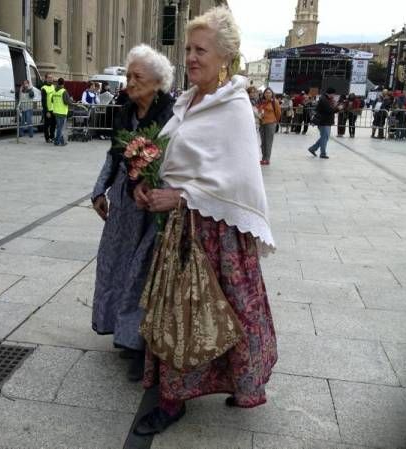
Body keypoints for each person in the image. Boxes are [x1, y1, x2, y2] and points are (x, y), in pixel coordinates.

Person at [132, 6, 277, 436]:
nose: (191, 57)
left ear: (225, 57)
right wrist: (144, 180)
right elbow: (170, 156)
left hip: (217, 233)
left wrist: (179, 195)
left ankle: (236, 381)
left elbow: (236, 174)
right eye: (189, 49)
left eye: (201, 50)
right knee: (180, 313)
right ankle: (173, 398)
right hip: (180, 227)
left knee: (229, 310)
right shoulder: (187, 100)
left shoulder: (233, 107)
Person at [91, 44, 175, 382]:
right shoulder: (125, 109)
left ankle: (142, 345)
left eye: (137, 76)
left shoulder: (170, 113)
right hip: (125, 203)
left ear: (158, 81)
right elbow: (114, 153)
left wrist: (156, 186)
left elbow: (175, 159)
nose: (129, 82)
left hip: (153, 202)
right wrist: (99, 189)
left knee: (144, 271)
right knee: (116, 262)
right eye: (128, 75)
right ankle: (122, 331)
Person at [308, 87, 337, 159]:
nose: (334, 95)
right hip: (324, 122)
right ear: (330, 93)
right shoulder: (324, 100)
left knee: (324, 137)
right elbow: (329, 110)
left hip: (326, 121)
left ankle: (313, 148)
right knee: (324, 138)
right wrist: (338, 108)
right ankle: (322, 153)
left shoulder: (327, 99)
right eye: (333, 94)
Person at [257, 87, 281, 165]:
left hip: (270, 123)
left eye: (269, 92)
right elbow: (258, 111)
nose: (267, 94)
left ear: (272, 94)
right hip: (262, 123)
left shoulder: (275, 102)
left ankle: (267, 159)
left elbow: (278, 113)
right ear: (264, 94)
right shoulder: (261, 102)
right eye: (266, 92)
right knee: (263, 142)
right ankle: (263, 158)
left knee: (268, 142)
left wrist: (274, 121)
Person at [51, 78, 76, 146]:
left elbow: (52, 101)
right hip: (62, 112)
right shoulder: (64, 91)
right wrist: (72, 101)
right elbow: (66, 102)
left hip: (55, 111)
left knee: (59, 127)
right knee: (60, 128)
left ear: (57, 83)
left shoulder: (54, 91)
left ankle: (62, 141)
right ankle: (57, 141)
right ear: (63, 83)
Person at [41, 73, 56, 143]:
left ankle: (52, 137)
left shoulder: (53, 86)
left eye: (51, 77)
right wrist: (46, 111)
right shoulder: (44, 88)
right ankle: (47, 138)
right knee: (47, 125)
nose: (51, 79)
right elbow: (43, 101)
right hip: (48, 110)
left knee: (53, 124)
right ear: (46, 79)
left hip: (54, 109)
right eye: (49, 78)